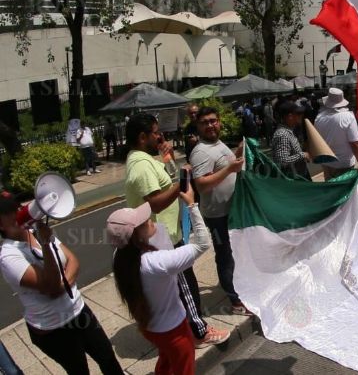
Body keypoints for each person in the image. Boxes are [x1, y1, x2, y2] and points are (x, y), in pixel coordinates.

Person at [124, 113, 230, 348]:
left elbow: (161, 179)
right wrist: (182, 182)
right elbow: (154, 202)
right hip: (165, 238)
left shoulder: (144, 160)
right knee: (185, 286)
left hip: (169, 233)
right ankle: (199, 331)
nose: (160, 136)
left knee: (182, 285)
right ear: (143, 137)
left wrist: (168, 161)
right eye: (155, 132)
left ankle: (190, 325)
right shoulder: (140, 166)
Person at [0, 191, 123, 375]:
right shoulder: (9, 256)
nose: (17, 211)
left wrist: (61, 284)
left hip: (79, 310)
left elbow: (73, 260)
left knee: (107, 357)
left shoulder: (35, 231)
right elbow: (50, 285)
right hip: (53, 330)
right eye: (9, 211)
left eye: (17, 206)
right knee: (79, 370)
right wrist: (47, 245)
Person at [108, 183, 210, 375]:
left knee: (166, 359)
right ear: (136, 237)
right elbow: (203, 243)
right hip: (174, 330)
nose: (150, 219)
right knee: (183, 368)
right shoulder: (156, 263)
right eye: (145, 221)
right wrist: (191, 204)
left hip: (151, 329)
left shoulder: (121, 257)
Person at [189, 107, 250, 315]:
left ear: (219, 122)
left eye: (213, 120)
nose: (210, 125)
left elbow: (224, 165)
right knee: (224, 254)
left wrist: (238, 154)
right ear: (198, 126)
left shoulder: (218, 144)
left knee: (236, 252)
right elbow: (201, 185)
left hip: (231, 210)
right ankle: (235, 301)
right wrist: (229, 169)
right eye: (205, 122)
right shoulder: (200, 152)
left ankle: (240, 288)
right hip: (217, 215)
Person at [314, 88, 358, 180]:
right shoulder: (348, 117)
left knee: (330, 189)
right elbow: (355, 143)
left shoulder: (319, 117)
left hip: (326, 162)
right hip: (343, 164)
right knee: (344, 191)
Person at [271, 102, 311, 179]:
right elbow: (282, 161)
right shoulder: (283, 135)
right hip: (294, 181)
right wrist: (302, 155)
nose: (301, 116)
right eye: (298, 114)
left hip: (298, 176)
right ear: (290, 116)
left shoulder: (288, 131)